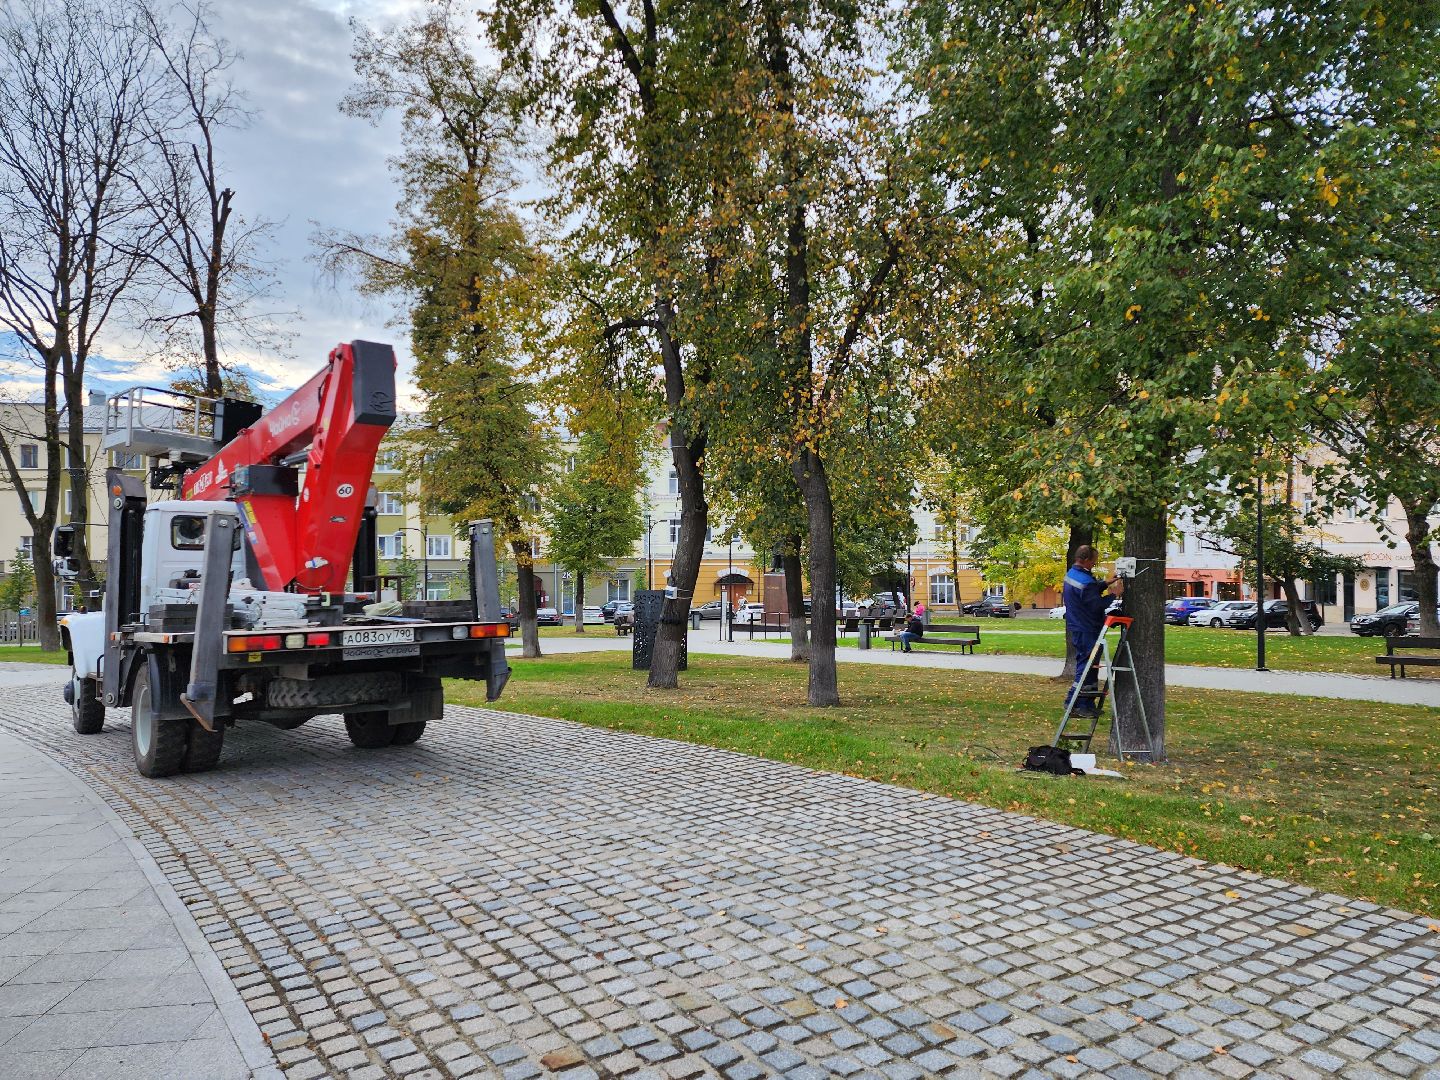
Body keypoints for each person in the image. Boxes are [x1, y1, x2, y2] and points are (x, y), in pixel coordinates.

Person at [1062, 545, 1125, 718]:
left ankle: (1087, 704)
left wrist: (1105, 584)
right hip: (1087, 628)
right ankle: (1074, 703)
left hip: (1079, 626)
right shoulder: (1086, 580)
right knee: (1086, 667)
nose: (1094, 564)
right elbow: (1096, 605)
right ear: (1086, 560)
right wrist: (1114, 594)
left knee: (1090, 667)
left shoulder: (1072, 574)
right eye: (1093, 561)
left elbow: (1087, 593)